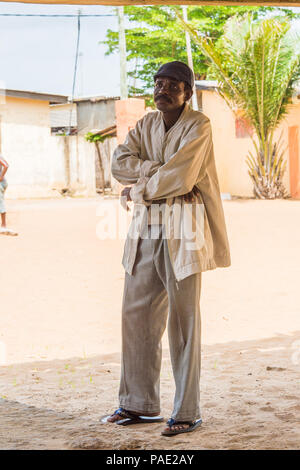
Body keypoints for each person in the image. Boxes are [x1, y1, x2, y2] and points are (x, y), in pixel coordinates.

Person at [101, 61, 231, 436]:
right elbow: (119, 163)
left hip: (185, 229)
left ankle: (187, 412)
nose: (163, 89)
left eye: (173, 84)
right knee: (136, 314)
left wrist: (139, 188)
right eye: (158, 83)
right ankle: (138, 405)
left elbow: (183, 175)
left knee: (183, 321)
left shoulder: (199, 126)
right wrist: (156, 171)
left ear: (187, 92)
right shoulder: (144, 124)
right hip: (146, 229)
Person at [0, 155, 18, 236]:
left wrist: (1, 177)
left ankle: (3, 225)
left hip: (1, 183)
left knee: (0, 202)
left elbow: (6, 165)